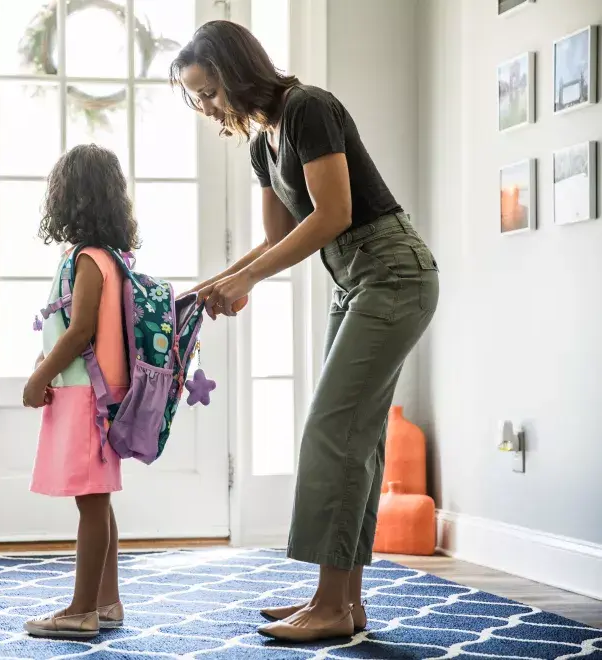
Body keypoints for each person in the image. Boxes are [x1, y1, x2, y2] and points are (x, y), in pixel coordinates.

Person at [170, 21, 440, 642]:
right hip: (356, 281)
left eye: (209, 91)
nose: (208, 107)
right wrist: (210, 286)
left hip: (394, 272)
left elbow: (335, 214)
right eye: (197, 97)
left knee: (332, 431)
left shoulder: (308, 108)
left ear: (237, 72)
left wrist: (245, 282)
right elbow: (274, 240)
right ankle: (344, 602)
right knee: (357, 439)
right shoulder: (262, 143)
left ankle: (328, 604)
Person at [20, 144, 139, 639]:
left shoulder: (89, 259)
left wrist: (39, 376)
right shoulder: (109, 257)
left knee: (91, 504)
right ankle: (107, 602)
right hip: (93, 395)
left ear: (69, 199)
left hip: (84, 397)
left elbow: (79, 330)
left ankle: (81, 610)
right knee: (98, 501)